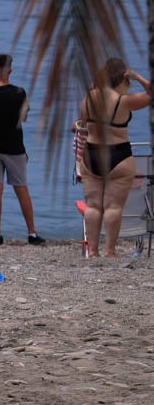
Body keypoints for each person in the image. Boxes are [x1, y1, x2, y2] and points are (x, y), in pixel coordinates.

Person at [78, 59, 152, 257]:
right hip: (118, 154)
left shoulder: (88, 98)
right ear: (123, 78)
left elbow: (81, 123)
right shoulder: (124, 100)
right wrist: (138, 77)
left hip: (91, 154)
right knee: (113, 207)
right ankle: (110, 251)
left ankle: (92, 251)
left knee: (93, 205)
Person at [0, 55, 43, 246]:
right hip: (15, 146)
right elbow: (24, 117)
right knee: (22, 188)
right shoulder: (19, 93)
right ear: (10, 71)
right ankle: (32, 233)